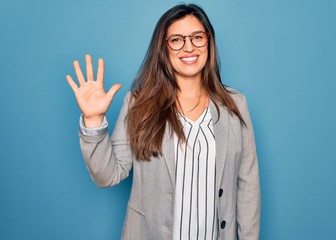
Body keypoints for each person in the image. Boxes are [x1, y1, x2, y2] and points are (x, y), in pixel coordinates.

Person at [66, 4, 260, 240]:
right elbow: (108, 175)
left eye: (197, 37)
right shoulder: (139, 103)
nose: (189, 46)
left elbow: (248, 184)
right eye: (177, 39)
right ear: (163, 48)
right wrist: (93, 120)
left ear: (209, 41)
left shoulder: (235, 105)